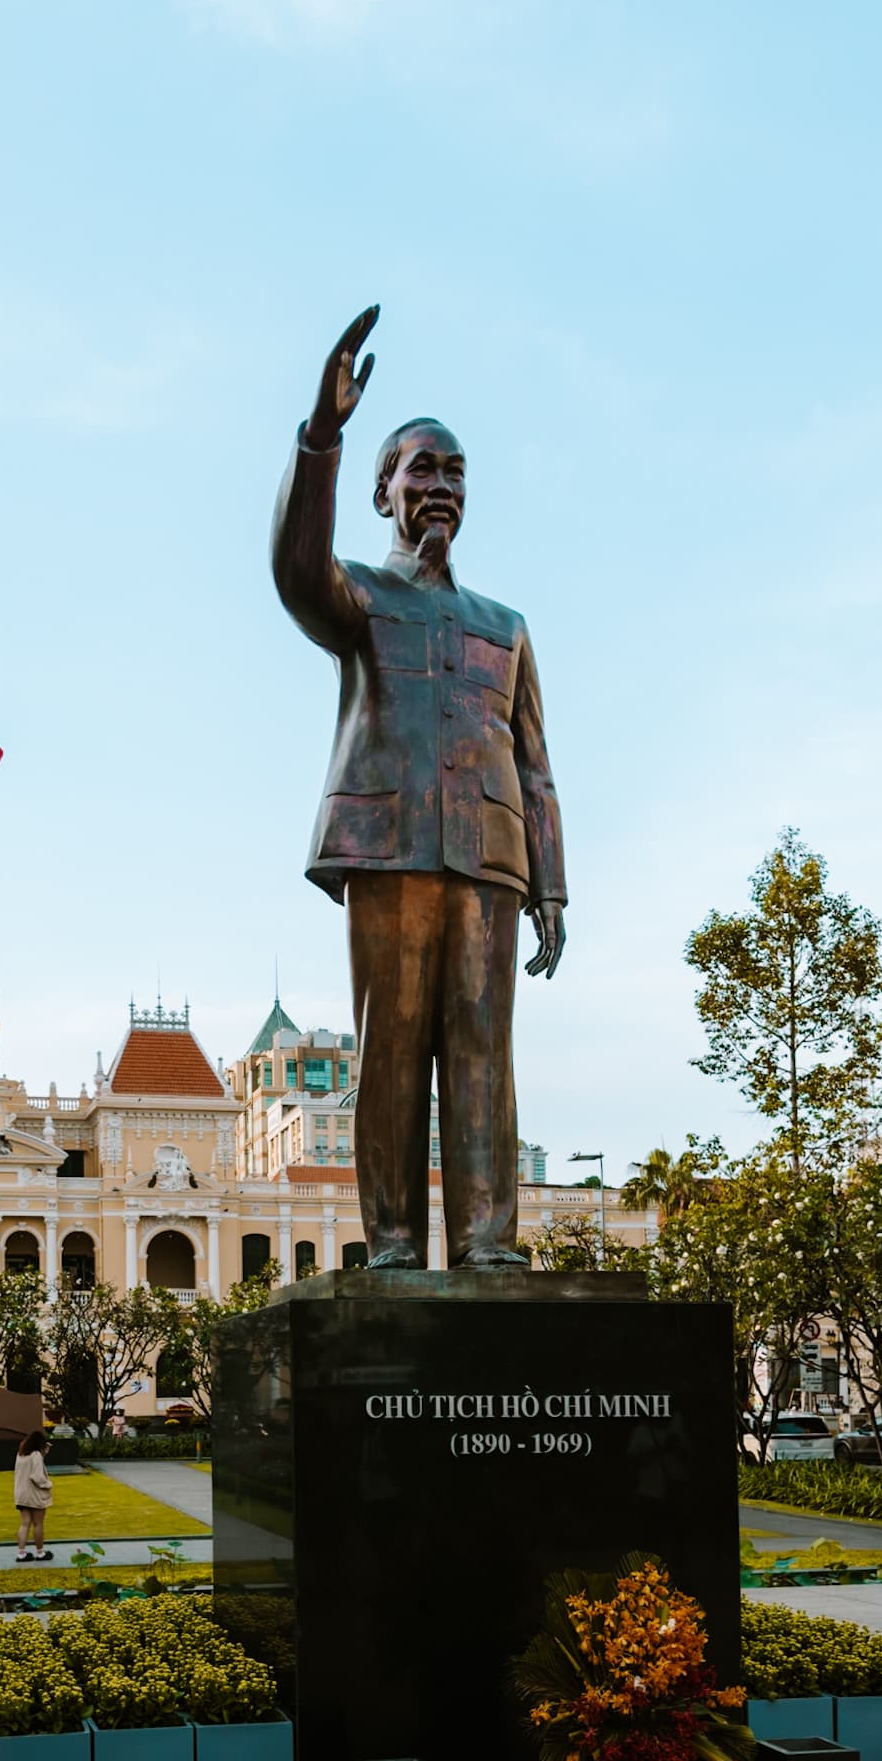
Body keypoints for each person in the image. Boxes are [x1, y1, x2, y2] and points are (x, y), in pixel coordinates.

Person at [272, 307, 567, 1269]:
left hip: (489, 857)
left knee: (484, 1053)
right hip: (390, 845)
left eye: (455, 474)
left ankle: (490, 1245)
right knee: (391, 1048)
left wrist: (552, 887)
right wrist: (323, 433)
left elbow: (534, 762)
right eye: (421, 470)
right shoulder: (358, 591)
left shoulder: (504, 623)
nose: (440, 487)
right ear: (383, 490)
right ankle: (394, 1243)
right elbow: (294, 569)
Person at [14, 1430, 54, 1563]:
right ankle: (40, 1552)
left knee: (25, 1523)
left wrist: (44, 1453)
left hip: (21, 1494)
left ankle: (21, 1553)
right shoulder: (36, 1455)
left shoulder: (21, 1454)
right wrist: (48, 1484)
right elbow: (37, 1476)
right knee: (38, 1523)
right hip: (35, 1495)